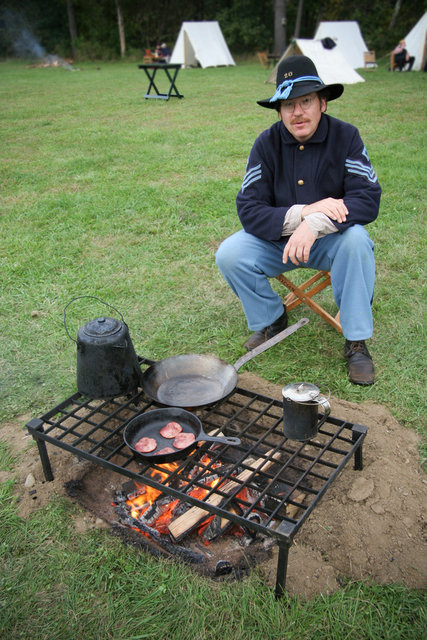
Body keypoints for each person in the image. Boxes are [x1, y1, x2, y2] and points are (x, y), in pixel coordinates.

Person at [215, 55, 381, 385]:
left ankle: (356, 341)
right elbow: (248, 209)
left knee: (358, 241)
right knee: (230, 253)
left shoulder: (346, 137)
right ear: (279, 110)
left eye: (305, 101)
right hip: (281, 242)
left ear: (322, 103)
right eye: (288, 105)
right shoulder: (266, 143)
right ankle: (272, 317)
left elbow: (367, 199)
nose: (297, 112)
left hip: (331, 241)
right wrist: (303, 214)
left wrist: (315, 223)